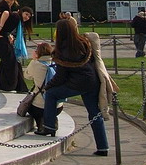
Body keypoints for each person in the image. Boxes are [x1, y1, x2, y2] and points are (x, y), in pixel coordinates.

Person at [41, 18, 117, 154]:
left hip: (77, 84)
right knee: (94, 113)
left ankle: (49, 126)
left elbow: (60, 77)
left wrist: (48, 86)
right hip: (92, 81)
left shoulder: (63, 51)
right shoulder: (84, 43)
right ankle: (102, 146)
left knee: (51, 94)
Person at [0, 0, 28, 93]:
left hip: (1, 39)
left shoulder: (6, 6)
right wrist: (0, 30)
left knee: (8, 62)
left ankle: (6, 85)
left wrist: (5, 34)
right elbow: (3, 15)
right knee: (11, 63)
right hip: (0, 39)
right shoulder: (5, 7)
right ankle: (10, 85)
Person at [24, 41, 55, 134]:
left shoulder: (36, 64)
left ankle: (41, 124)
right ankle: (53, 121)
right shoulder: (55, 63)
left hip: (40, 105)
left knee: (29, 106)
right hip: (57, 105)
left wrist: (34, 60)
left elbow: (27, 76)